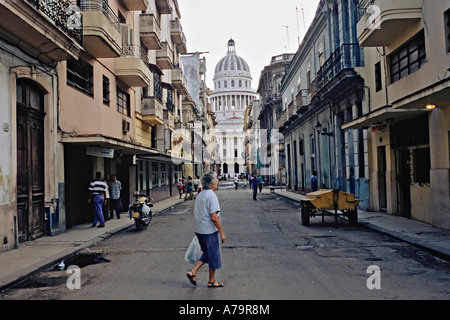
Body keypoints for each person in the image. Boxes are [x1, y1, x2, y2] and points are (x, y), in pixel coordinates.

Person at [186, 172, 226, 288]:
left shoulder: (200, 194)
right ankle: (211, 280)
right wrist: (222, 232)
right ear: (212, 183)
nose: (217, 182)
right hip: (209, 231)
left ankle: (193, 272)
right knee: (213, 255)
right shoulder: (211, 196)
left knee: (207, 254)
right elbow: (214, 217)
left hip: (199, 230)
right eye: (216, 180)